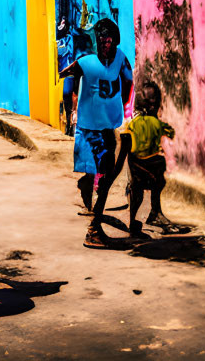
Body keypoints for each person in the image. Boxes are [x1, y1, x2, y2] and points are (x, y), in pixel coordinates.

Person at [60, 18, 133, 249]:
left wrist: (70, 113)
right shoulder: (100, 60)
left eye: (108, 41)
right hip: (93, 127)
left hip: (99, 126)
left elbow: (66, 86)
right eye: (104, 41)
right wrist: (118, 103)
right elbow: (128, 82)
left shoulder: (88, 61)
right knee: (102, 174)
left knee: (100, 174)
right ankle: (93, 228)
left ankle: (93, 218)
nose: (106, 45)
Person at [116, 80, 177, 239]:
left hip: (136, 169)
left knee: (137, 195)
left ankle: (136, 225)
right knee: (158, 173)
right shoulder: (156, 123)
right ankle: (154, 214)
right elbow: (170, 133)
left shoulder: (132, 124)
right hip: (153, 171)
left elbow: (126, 148)